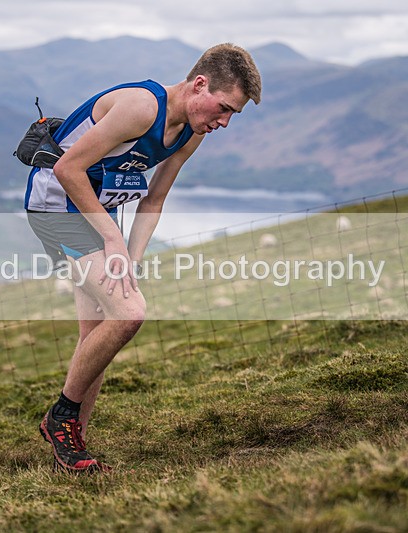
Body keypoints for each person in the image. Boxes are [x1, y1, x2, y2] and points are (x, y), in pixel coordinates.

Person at [25, 43, 262, 472]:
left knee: (99, 328)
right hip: (57, 205)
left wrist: (130, 258)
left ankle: (70, 442)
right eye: (224, 107)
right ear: (199, 85)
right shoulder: (141, 107)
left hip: (99, 210)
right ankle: (60, 418)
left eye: (233, 115)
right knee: (129, 313)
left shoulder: (192, 131)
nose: (224, 121)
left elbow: (154, 199)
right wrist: (113, 241)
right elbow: (66, 170)